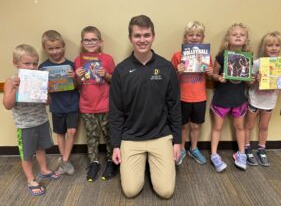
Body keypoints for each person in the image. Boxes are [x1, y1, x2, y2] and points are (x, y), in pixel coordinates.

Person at [109, 15, 181, 198]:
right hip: (131, 138)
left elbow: (174, 107)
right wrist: (116, 145)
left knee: (165, 192)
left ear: (153, 36)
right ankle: (144, 164)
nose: (142, 40)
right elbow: (115, 111)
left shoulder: (166, 68)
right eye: (137, 36)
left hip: (161, 136)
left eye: (146, 35)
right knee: (131, 191)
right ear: (130, 38)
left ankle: (153, 164)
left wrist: (177, 141)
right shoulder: (121, 71)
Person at [3, 44, 60, 196]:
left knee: (41, 148)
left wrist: (46, 90)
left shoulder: (39, 77)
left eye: (35, 63)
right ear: (16, 63)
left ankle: (44, 170)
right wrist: (15, 88)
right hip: (25, 125)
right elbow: (8, 105)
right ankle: (30, 179)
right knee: (27, 154)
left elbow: (48, 102)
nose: (32, 67)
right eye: (27, 63)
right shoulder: (11, 81)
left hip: (41, 120)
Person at [74, 26, 117, 182]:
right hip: (86, 106)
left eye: (94, 39)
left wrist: (105, 74)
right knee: (92, 136)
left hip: (106, 105)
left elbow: (115, 81)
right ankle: (94, 162)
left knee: (109, 135)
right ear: (82, 42)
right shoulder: (78, 60)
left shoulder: (107, 59)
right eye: (87, 39)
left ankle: (112, 161)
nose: (90, 42)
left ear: (100, 42)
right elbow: (76, 86)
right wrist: (77, 77)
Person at [244, 31, 281, 166]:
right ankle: (247, 148)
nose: (274, 48)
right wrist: (255, 79)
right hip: (254, 100)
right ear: (264, 47)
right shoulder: (258, 63)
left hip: (269, 102)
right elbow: (248, 81)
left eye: (277, 45)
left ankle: (261, 149)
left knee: (264, 126)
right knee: (249, 125)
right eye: (270, 45)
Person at [210, 23, 252, 172]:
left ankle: (241, 153)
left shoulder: (248, 58)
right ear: (228, 38)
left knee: (240, 127)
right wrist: (218, 77)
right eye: (235, 34)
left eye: (242, 34)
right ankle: (214, 154)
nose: (238, 36)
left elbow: (248, 79)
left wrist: (251, 79)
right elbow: (214, 75)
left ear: (246, 39)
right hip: (222, 99)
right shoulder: (222, 56)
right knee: (217, 127)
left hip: (238, 100)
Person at [171, 21, 213, 165]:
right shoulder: (177, 56)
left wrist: (210, 72)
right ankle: (182, 148)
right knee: (183, 126)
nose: (194, 37)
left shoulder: (206, 56)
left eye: (198, 35)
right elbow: (171, 79)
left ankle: (193, 148)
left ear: (202, 37)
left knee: (196, 126)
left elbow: (210, 77)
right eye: (191, 35)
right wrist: (178, 71)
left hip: (200, 97)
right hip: (182, 97)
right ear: (185, 37)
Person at [39, 30, 80, 175]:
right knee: (60, 133)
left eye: (58, 47)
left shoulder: (71, 65)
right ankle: (65, 161)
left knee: (72, 131)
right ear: (45, 49)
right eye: (51, 48)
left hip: (72, 104)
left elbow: (77, 85)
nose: (55, 51)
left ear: (63, 47)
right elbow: (41, 90)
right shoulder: (42, 68)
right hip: (56, 106)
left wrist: (74, 77)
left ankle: (64, 160)